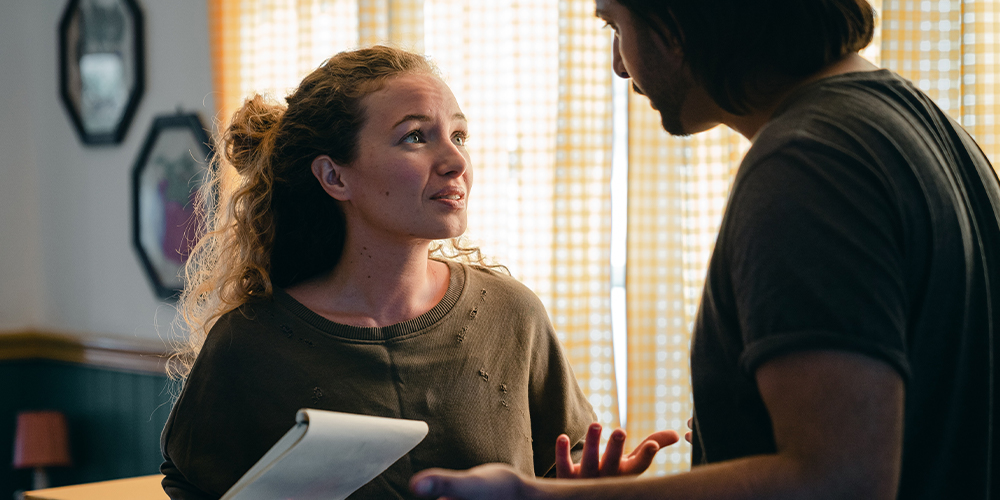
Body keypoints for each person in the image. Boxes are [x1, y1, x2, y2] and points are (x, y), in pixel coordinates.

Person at [410, 0, 1000, 499]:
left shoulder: (809, 163)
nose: (619, 65)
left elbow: (841, 478)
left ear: (681, 19)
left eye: (617, 26)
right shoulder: (924, 125)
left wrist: (536, 495)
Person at [159, 45, 676, 500]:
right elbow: (192, 485)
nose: (455, 161)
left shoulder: (512, 314)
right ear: (334, 176)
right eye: (415, 137)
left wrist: (586, 493)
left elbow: (563, 470)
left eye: (459, 134)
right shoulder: (249, 343)